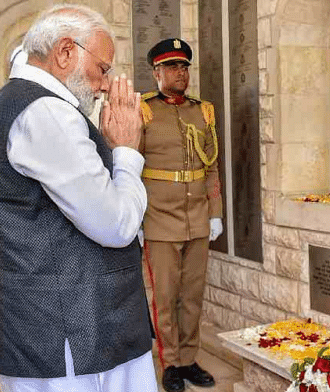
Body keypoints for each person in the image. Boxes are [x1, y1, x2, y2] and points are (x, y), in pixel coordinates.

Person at [0, 5, 156, 392]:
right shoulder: (46, 112)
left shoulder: (16, 103)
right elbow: (117, 224)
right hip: (71, 336)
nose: (106, 84)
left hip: (59, 329)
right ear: (65, 53)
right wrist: (125, 151)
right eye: (103, 69)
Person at [139, 38, 223, 392]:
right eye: (172, 67)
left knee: (192, 296)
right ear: (157, 72)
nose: (180, 73)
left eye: (184, 66)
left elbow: (211, 167)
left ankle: (189, 359)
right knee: (165, 297)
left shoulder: (202, 111)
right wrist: (136, 219)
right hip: (159, 218)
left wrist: (215, 212)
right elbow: (127, 169)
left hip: (197, 217)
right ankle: (169, 363)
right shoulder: (143, 110)